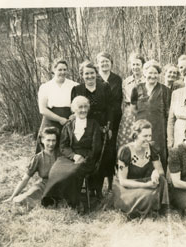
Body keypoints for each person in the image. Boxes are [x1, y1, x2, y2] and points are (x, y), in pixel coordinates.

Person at [41, 96, 102, 210]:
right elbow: (63, 146)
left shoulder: (94, 125)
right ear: (74, 109)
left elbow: (96, 148)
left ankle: (72, 203)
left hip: (87, 159)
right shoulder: (69, 125)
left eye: (85, 107)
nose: (83, 110)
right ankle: (53, 199)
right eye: (80, 107)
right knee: (55, 169)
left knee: (73, 172)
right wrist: (73, 155)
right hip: (69, 156)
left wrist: (84, 157)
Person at [71, 61, 113, 198]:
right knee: (88, 156)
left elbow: (110, 109)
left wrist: (109, 126)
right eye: (86, 74)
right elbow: (74, 111)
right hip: (85, 128)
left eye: (92, 73)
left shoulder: (105, 87)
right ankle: (87, 189)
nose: (89, 76)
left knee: (100, 157)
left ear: (96, 73)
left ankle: (98, 189)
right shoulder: (77, 90)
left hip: (101, 128)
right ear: (82, 75)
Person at [113, 119, 169, 219]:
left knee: (162, 181)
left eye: (150, 135)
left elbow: (161, 172)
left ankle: (156, 206)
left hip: (146, 182)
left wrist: (155, 172)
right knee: (149, 195)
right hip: (129, 188)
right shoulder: (125, 151)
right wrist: (145, 185)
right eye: (145, 136)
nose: (148, 139)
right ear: (136, 135)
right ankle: (149, 207)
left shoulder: (151, 147)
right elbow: (123, 181)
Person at [131, 60, 171, 172]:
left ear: (159, 74)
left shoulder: (165, 90)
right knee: (141, 152)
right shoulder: (137, 88)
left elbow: (168, 112)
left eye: (155, 73)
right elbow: (133, 109)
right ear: (144, 73)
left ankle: (160, 184)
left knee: (158, 154)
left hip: (159, 129)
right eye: (150, 73)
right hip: (141, 128)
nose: (152, 76)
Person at [3, 127, 58, 207]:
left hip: (59, 186)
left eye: (53, 140)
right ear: (42, 140)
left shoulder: (61, 155)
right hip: (43, 186)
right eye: (48, 140)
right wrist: (12, 196)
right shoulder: (37, 158)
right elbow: (25, 179)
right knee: (22, 200)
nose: (51, 144)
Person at [36, 58, 78, 153]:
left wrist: (74, 115)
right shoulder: (45, 87)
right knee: (48, 147)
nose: (62, 72)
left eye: (64, 69)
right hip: (50, 120)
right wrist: (59, 119)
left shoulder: (74, 85)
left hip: (68, 121)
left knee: (66, 147)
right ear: (54, 70)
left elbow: (80, 104)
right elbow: (42, 109)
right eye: (59, 69)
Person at [96, 52, 123, 193]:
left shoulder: (117, 79)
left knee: (112, 150)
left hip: (116, 118)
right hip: (99, 119)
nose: (104, 64)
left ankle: (112, 183)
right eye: (102, 62)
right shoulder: (94, 78)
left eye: (107, 61)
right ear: (97, 63)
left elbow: (120, 99)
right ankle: (98, 183)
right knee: (100, 149)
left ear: (111, 63)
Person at [117, 53, 145, 150]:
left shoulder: (146, 80)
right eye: (133, 65)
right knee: (125, 139)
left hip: (143, 111)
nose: (135, 67)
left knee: (141, 137)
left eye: (138, 64)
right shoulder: (126, 81)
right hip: (129, 113)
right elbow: (123, 100)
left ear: (142, 65)